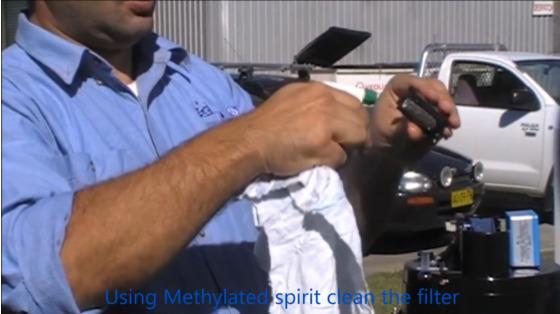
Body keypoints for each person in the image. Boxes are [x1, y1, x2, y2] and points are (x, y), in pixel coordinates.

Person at [1, 1, 460, 313]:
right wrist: (248, 141)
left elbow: (320, 238)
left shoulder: (201, 80)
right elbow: (40, 281)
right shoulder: (13, 97)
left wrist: (384, 155)